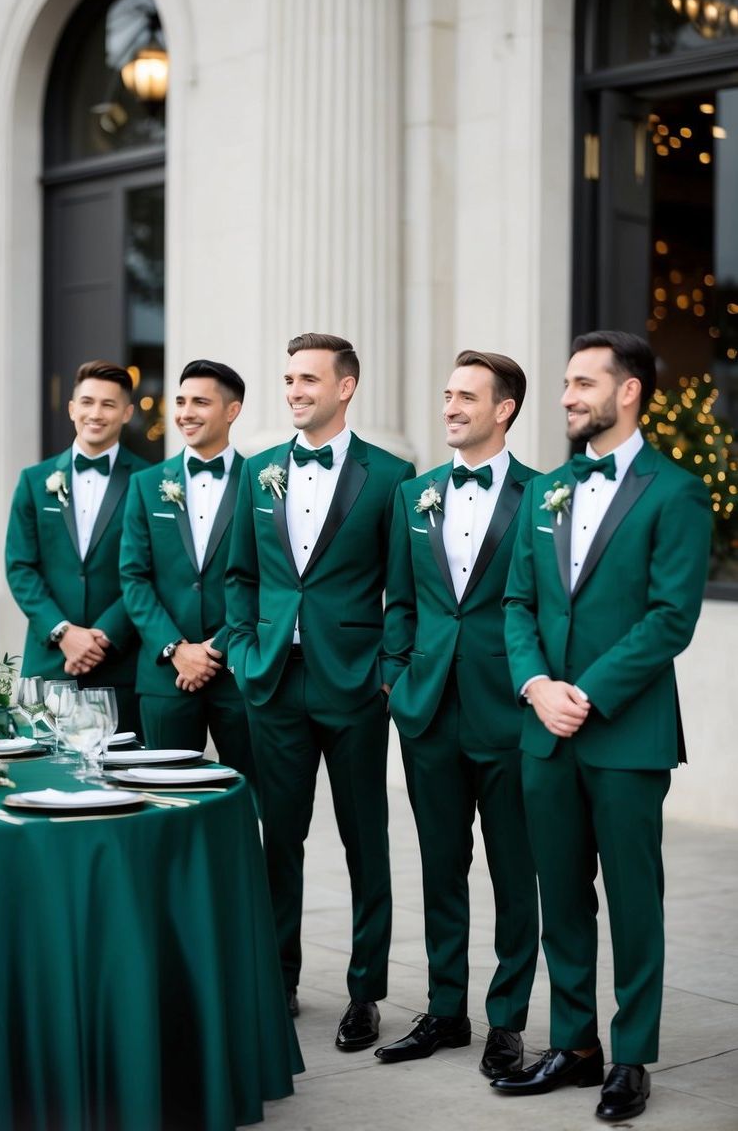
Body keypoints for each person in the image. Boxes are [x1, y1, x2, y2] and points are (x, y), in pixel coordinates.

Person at [494, 331, 711, 1122]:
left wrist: (581, 693)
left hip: (623, 731)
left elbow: (669, 618)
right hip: (543, 729)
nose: (565, 396)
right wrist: (534, 685)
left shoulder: (674, 491)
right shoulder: (546, 489)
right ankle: (573, 1044)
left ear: (629, 392)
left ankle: (631, 1057)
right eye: (563, 383)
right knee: (561, 896)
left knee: (631, 899)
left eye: (582, 382)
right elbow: (517, 603)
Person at [225, 333, 414, 1049]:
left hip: (357, 684)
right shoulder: (259, 471)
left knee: (367, 841)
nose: (295, 390)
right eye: (288, 379)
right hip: (273, 681)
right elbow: (240, 576)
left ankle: (365, 992)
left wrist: (388, 672)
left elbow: (404, 586)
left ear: (345, 387)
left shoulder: (392, 475)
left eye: (308, 379)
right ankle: (279, 979)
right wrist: (244, 654)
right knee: (280, 840)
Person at [378, 350, 538, 1078]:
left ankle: (506, 1021)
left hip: (508, 713)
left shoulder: (543, 496)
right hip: (428, 710)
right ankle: (446, 1010)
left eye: (465, 396)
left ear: (503, 409)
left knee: (514, 873)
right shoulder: (414, 495)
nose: (449, 407)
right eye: (446, 394)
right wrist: (394, 677)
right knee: (441, 868)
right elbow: (401, 601)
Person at [119, 359, 257, 787]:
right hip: (165, 674)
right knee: (165, 796)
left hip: (238, 671)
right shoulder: (146, 484)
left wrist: (219, 645)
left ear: (231, 411)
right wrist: (176, 647)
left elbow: (270, 577)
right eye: (180, 401)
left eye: (200, 401)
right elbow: (133, 577)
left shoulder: (262, 480)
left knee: (250, 799)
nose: (185, 412)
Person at [5, 360, 149, 734]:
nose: (95, 413)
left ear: (127, 413)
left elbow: (153, 570)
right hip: (49, 663)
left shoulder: (149, 482)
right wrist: (64, 632)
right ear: (72, 408)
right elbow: (20, 566)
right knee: (40, 778)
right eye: (87, 402)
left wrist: (103, 635)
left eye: (108, 404)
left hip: (120, 664)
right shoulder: (34, 481)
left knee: (120, 781)